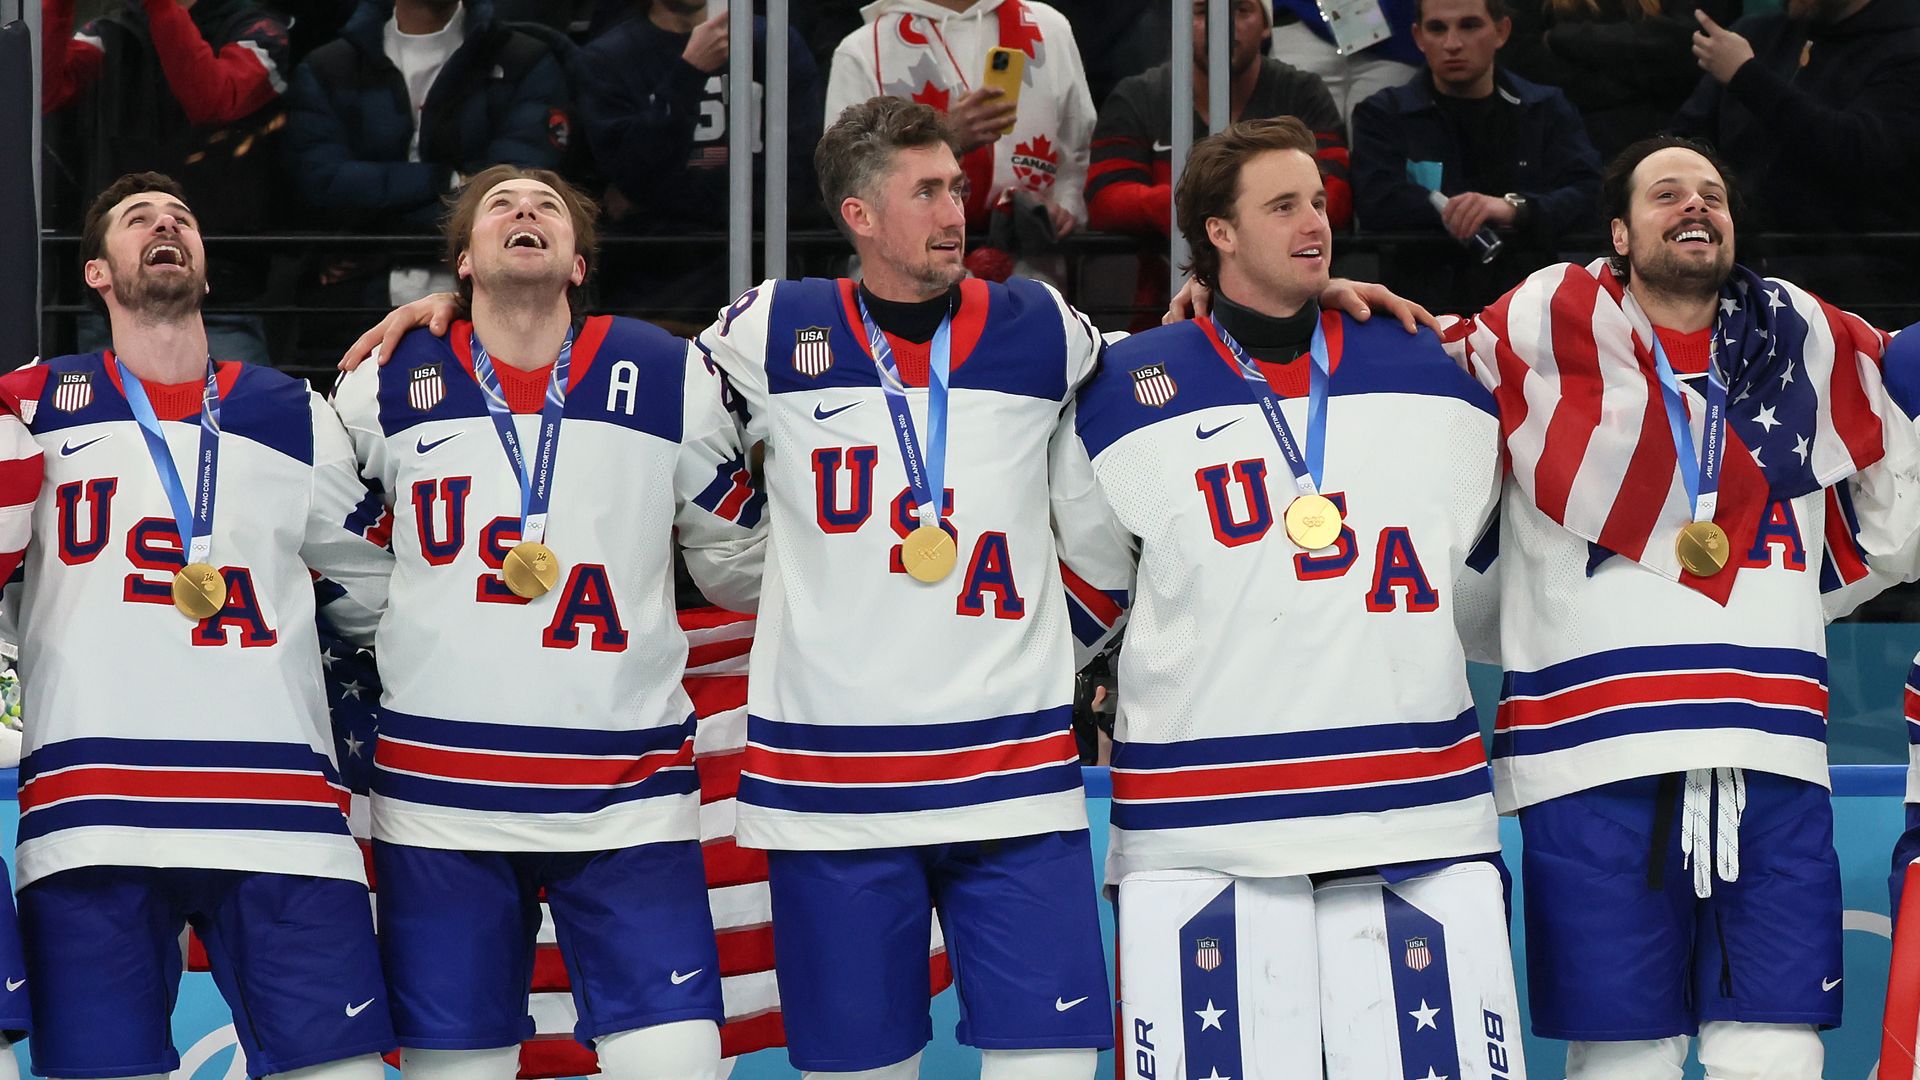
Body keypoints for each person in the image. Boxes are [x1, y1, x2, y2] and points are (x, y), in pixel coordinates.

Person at [1056, 115, 1522, 1079]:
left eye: (1318, 201)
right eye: (1282, 207)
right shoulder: (1122, 387)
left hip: (1415, 818)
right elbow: (1086, 594)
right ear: (1217, 235)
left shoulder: (1426, 363)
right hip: (1200, 829)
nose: (1315, 222)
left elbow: (1487, 583)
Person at [1453, 137, 1920, 1079]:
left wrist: (1793, 600)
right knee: (1621, 1055)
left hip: (1769, 746)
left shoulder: (1808, 350)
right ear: (1620, 232)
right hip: (1592, 753)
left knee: (1776, 1044)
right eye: (1666, 194)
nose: (1695, 206)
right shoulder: (1529, 338)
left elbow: (1897, 524)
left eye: (1711, 193)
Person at [329, 164, 764, 1080]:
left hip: (625, 789)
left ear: (577, 263)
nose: (525, 211)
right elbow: (338, 546)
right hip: (441, 799)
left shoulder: (666, 372)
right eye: (501, 205)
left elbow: (735, 560)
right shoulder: (380, 382)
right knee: (459, 1068)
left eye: (548, 207)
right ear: (463, 260)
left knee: (680, 1060)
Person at [0, 171, 396, 1080]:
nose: (166, 227)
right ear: (98, 273)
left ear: (205, 269)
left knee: (344, 1073)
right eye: (139, 221)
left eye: (181, 218)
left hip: (280, 807)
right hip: (94, 808)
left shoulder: (293, 410)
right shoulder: (27, 405)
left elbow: (374, 585)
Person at [40, 0, 292, 364]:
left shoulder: (258, 31)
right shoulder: (114, 31)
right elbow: (43, 92)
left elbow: (213, 100)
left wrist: (162, 6)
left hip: (223, 294)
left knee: (239, 417)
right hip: (115, 297)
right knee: (110, 420)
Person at [282, 0, 573, 305]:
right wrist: (446, 180)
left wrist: (382, 245)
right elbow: (323, 184)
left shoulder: (523, 60)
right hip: (353, 303)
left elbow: (517, 188)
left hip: (494, 299)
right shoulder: (327, 67)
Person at [1086, 0, 1350, 325]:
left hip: (1294, 315)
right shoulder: (1138, 96)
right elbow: (1105, 200)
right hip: (1159, 310)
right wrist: (1218, 202)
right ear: (1179, 23)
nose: (1221, 25)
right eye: (1201, 11)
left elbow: (1334, 196)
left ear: (1267, 25)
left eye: (1242, 10)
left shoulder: (1301, 93)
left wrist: (1208, 204)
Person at [578, 0, 826, 318]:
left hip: (766, 265)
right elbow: (634, 171)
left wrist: (664, 196)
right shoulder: (607, 59)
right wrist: (689, 72)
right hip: (656, 278)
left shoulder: (776, 44)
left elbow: (799, 176)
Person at [1351, 0, 1601, 314]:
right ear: (1418, 37)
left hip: (1532, 310)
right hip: (1420, 311)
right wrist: (1462, 211)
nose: (1452, 43)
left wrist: (1513, 209)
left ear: (1501, 31)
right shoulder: (1382, 115)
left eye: (1469, 26)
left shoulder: (1545, 110)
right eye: (1437, 28)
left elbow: (1588, 193)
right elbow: (1375, 202)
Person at [823, 0, 1096, 259]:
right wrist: (947, 138)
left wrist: (1064, 209)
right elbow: (846, 180)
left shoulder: (1051, 30)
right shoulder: (863, 50)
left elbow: (1077, 155)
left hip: (1032, 271)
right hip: (906, 284)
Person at [1671, 0, 1920, 234]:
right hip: (1733, 250)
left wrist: (1748, 78)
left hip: (1852, 256)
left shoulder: (1905, 47)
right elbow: (1686, 134)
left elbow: (1860, 152)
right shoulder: (1753, 36)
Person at [1495, 0, 1741, 161]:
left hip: (1674, 141)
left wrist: (1564, 36)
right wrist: (1644, 81)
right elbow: (1525, 64)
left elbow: (1690, 46)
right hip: (1564, 141)